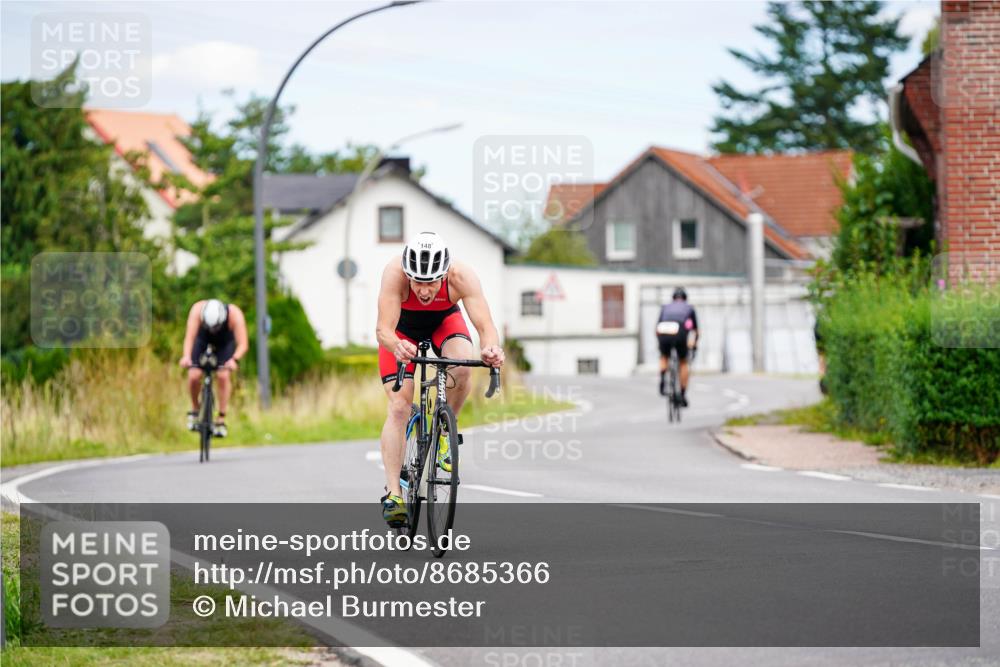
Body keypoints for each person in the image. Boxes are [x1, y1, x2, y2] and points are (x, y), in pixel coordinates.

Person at [375, 231, 505, 527]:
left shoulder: (462, 276)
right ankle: (394, 495)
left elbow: (486, 326)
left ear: (445, 274)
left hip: (443, 322)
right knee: (398, 407)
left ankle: (445, 432)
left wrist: (491, 349)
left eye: (431, 281)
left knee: (461, 366)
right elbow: (383, 329)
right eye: (417, 281)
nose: (423, 290)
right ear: (408, 274)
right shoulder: (394, 274)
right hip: (402, 332)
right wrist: (397, 346)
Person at [179, 299, 249, 437]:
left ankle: (221, 419)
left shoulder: (235, 314)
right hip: (202, 341)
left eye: (215, 327)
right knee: (194, 375)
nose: (213, 330)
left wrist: (234, 360)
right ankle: (195, 409)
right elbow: (190, 337)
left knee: (223, 375)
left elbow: (243, 344)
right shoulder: (197, 310)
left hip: (224, 344)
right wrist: (186, 356)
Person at [656, 287, 698, 406]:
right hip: (679, 330)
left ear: (673, 298)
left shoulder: (665, 307)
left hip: (663, 329)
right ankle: (682, 394)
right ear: (685, 298)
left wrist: (659, 344)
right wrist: (694, 346)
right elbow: (695, 331)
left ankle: (663, 378)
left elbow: (657, 328)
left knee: (664, 356)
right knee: (683, 362)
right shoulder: (689, 308)